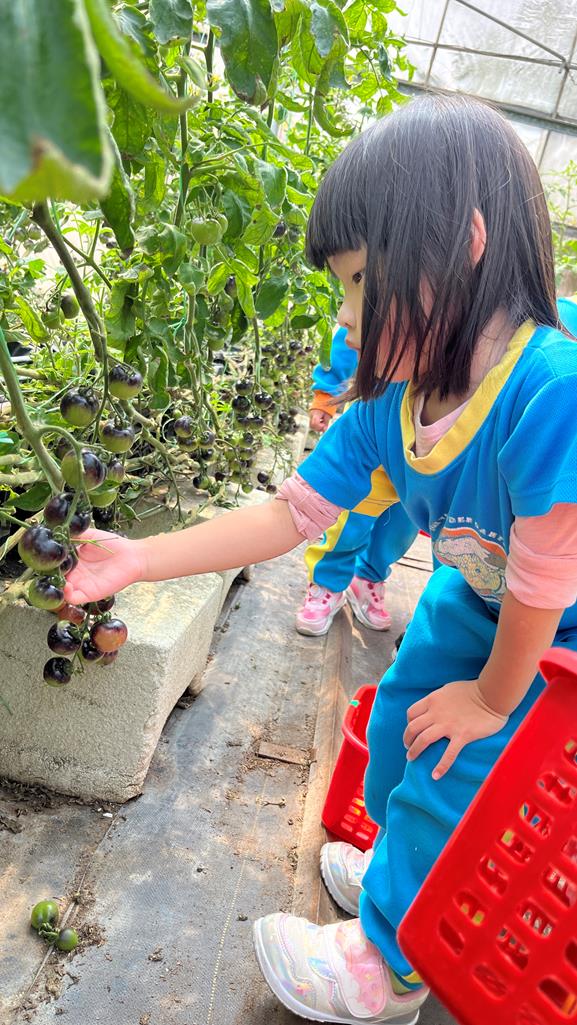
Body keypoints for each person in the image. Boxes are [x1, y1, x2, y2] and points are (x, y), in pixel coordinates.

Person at [64, 94, 577, 1025]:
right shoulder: (394, 406)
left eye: (359, 280)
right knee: (400, 726)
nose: (345, 314)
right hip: (478, 599)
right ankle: (402, 874)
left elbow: (544, 581)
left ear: (461, 244)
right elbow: (286, 513)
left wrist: (491, 698)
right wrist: (138, 557)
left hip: (556, 635)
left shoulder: (550, 387)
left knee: (458, 756)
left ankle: (393, 962)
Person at [298, 326, 418, 635]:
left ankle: (368, 577)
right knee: (351, 521)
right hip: (375, 436)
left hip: (424, 450)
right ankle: (327, 583)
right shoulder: (390, 304)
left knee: (400, 526)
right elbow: (349, 335)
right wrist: (326, 394)